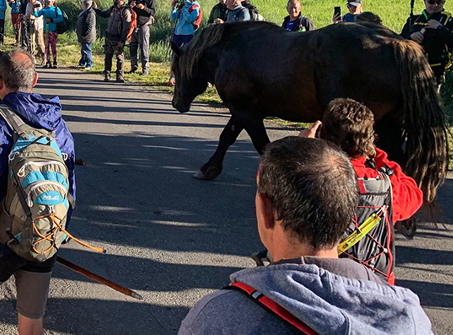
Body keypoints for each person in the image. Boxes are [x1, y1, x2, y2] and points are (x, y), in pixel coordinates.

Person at [179, 137, 433, 335]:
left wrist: (295, 147)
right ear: (347, 210)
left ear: (265, 210)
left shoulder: (219, 316)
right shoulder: (411, 318)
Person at [0, 50, 77, 335]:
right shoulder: (58, 124)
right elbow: (70, 189)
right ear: (35, 79)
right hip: (43, 234)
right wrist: (53, 234)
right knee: (31, 322)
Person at [300, 98, 422, 284]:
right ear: (370, 140)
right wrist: (378, 156)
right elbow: (415, 194)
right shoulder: (388, 185)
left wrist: (301, 150)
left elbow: (267, 179)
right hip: (375, 285)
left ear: (321, 135)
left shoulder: (307, 176)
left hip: (318, 281)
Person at [401, 0, 453, 86]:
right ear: (425, 2)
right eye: (431, 2)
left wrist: (439, 28)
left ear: (443, 3)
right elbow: (399, 40)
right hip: (413, 68)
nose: (435, 5)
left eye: (439, 2)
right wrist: (410, 36)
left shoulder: (448, 20)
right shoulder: (413, 20)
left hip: (437, 70)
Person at [95, 0, 133, 83]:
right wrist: (95, 9)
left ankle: (119, 76)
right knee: (108, 56)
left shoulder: (125, 11)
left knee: (119, 57)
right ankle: (107, 75)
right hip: (109, 37)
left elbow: (126, 28)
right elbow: (104, 14)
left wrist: (122, 41)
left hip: (118, 39)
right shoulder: (113, 8)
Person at [168, 0, 200, 85]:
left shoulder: (195, 5)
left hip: (188, 33)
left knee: (187, 54)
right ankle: (172, 76)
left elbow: (191, 18)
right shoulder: (182, 5)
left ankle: (187, 76)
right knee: (175, 54)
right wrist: (174, 8)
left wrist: (185, 10)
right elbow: (173, 18)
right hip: (178, 32)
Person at [128, 0, 156, 75]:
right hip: (133, 25)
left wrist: (143, 8)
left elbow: (152, 12)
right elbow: (127, 10)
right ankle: (134, 67)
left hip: (144, 25)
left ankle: (145, 69)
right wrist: (130, 6)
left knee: (144, 48)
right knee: (133, 47)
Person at [41, 0, 64, 69]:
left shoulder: (56, 9)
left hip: (53, 31)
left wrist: (52, 20)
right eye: (46, 1)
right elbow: (37, 14)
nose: (47, 2)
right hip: (46, 31)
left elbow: (61, 18)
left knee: (53, 47)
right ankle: (48, 61)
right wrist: (33, 8)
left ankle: (55, 61)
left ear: (53, 2)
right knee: (46, 47)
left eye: (49, 1)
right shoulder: (44, 9)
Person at [75, 0, 96, 69]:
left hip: (87, 36)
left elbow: (89, 25)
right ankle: (83, 62)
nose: (81, 5)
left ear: (85, 5)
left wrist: (84, 33)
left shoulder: (90, 13)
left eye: (82, 4)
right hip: (83, 35)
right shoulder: (85, 12)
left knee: (87, 50)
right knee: (83, 49)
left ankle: (89, 64)